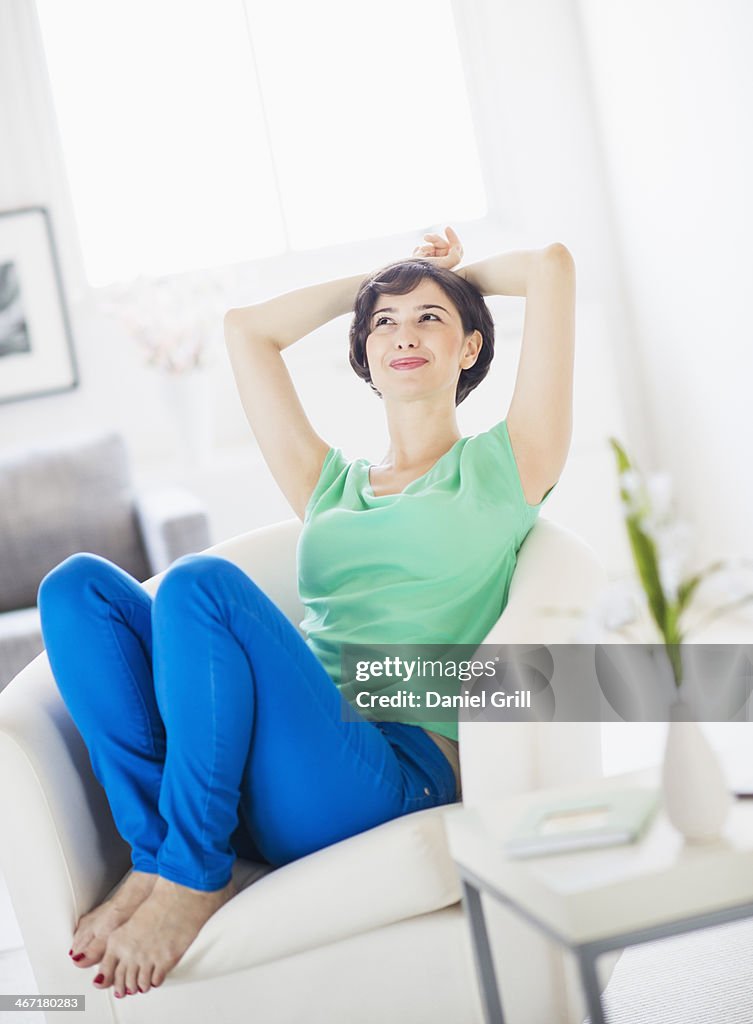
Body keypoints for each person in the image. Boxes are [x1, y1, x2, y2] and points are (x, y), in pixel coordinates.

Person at [37, 226, 575, 1000]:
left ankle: (189, 878)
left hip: (385, 776)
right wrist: (380, 281)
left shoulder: (506, 465)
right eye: (382, 322)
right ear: (364, 357)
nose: (403, 332)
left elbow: (552, 267)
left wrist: (437, 272)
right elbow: (245, 331)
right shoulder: (329, 485)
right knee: (76, 587)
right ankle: (160, 854)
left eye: (431, 318)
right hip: (259, 769)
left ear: (469, 349)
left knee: (198, 586)